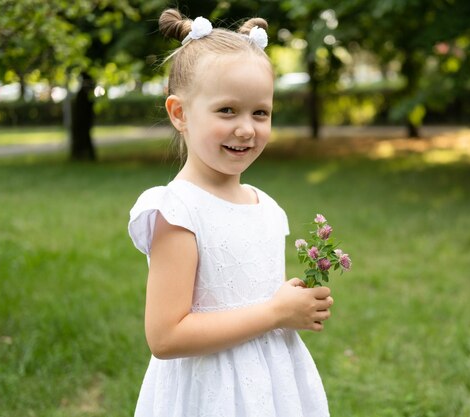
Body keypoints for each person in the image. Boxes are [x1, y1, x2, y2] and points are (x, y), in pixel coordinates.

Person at [127, 9, 333, 417]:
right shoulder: (178, 211)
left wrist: (292, 303)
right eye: (227, 111)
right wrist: (274, 313)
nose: (246, 128)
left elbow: (247, 294)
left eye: (260, 112)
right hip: (210, 392)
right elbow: (166, 336)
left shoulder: (267, 207)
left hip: (272, 386)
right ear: (179, 113)